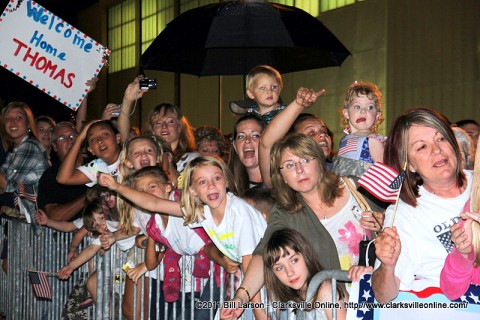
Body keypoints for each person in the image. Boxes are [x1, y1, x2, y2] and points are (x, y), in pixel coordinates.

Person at [221, 88, 380, 320]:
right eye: (289, 165)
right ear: (281, 175)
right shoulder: (287, 211)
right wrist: (241, 297)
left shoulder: (355, 187)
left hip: (378, 296)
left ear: (319, 160)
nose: (299, 170)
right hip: (332, 307)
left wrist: (383, 222)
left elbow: (399, 217)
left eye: (305, 160)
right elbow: (263, 253)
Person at [97, 155, 268, 319]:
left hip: (266, 276)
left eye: (216, 178)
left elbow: (250, 262)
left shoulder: (239, 213)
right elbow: (154, 203)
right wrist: (117, 187)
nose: (211, 186)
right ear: (192, 190)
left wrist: (259, 311)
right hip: (248, 282)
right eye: (202, 182)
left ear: (227, 181)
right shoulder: (203, 212)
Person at [371, 107, 472, 303]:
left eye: (441, 138)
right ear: (410, 164)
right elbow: (383, 296)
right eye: (421, 147)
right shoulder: (403, 214)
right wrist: (388, 266)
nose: (437, 150)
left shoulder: (477, 185)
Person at [264, 228, 348, 320]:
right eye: (279, 268)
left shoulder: (325, 289)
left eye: (294, 260)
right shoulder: (294, 298)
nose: (289, 272)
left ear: (306, 256)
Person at [0, 101, 49, 220]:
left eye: (19, 117)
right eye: (8, 118)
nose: (13, 122)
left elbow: (7, 186)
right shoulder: (14, 149)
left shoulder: (30, 147)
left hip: (32, 221)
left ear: (28, 124)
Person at [332, 81, 385, 178]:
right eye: (357, 106)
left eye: (370, 107)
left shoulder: (373, 140)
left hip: (362, 190)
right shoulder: (344, 140)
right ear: (346, 113)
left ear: (377, 115)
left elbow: (384, 173)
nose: (363, 111)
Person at [37, 121, 87, 221]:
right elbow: (53, 216)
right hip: (66, 234)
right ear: (55, 146)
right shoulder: (50, 176)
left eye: (73, 136)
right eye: (62, 138)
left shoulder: (95, 164)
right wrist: (88, 197)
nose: (70, 141)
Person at [57, 120, 122, 187]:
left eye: (105, 134)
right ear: (91, 150)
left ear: (117, 138)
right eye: (93, 139)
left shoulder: (128, 156)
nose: (100, 141)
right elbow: (63, 179)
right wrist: (79, 138)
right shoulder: (98, 166)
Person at [228, 113, 266, 196]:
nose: (247, 140)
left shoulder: (280, 184)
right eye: (241, 136)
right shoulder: (229, 191)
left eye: (255, 135)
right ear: (235, 146)